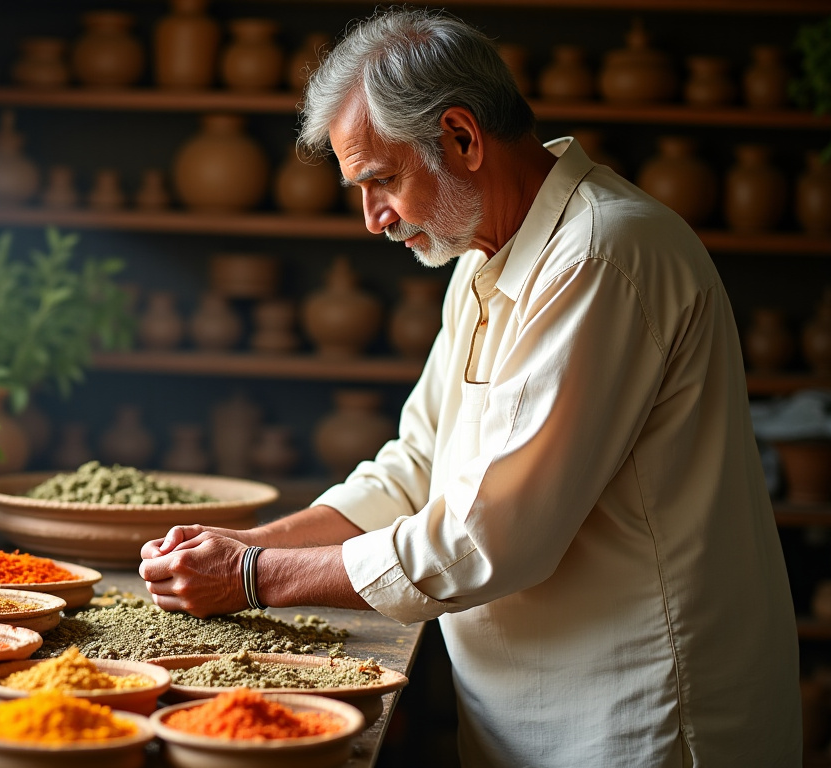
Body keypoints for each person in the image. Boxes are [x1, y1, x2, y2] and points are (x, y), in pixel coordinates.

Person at [138, 8, 801, 767]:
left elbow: (493, 536)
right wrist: (245, 545)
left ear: (462, 138)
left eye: (382, 180)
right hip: (528, 710)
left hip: (638, 713)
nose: (373, 219)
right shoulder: (486, 255)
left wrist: (254, 578)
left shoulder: (601, 256)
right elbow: (416, 467)